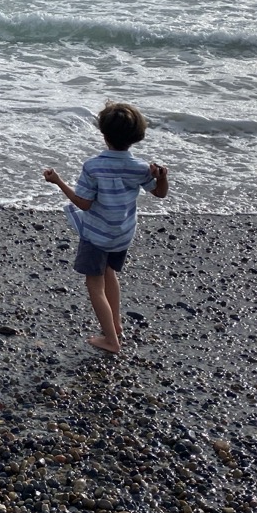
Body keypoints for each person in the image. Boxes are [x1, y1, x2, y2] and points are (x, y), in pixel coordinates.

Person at [43, 101, 168, 354]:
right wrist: (162, 176)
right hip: (122, 234)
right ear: (136, 136)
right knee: (109, 273)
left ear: (103, 134)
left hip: (97, 235)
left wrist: (58, 182)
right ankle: (117, 325)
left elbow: (84, 204)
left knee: (94, 286)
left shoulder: (93, 166)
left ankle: (111, 340)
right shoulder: (140, 167)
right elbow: (160, 194)